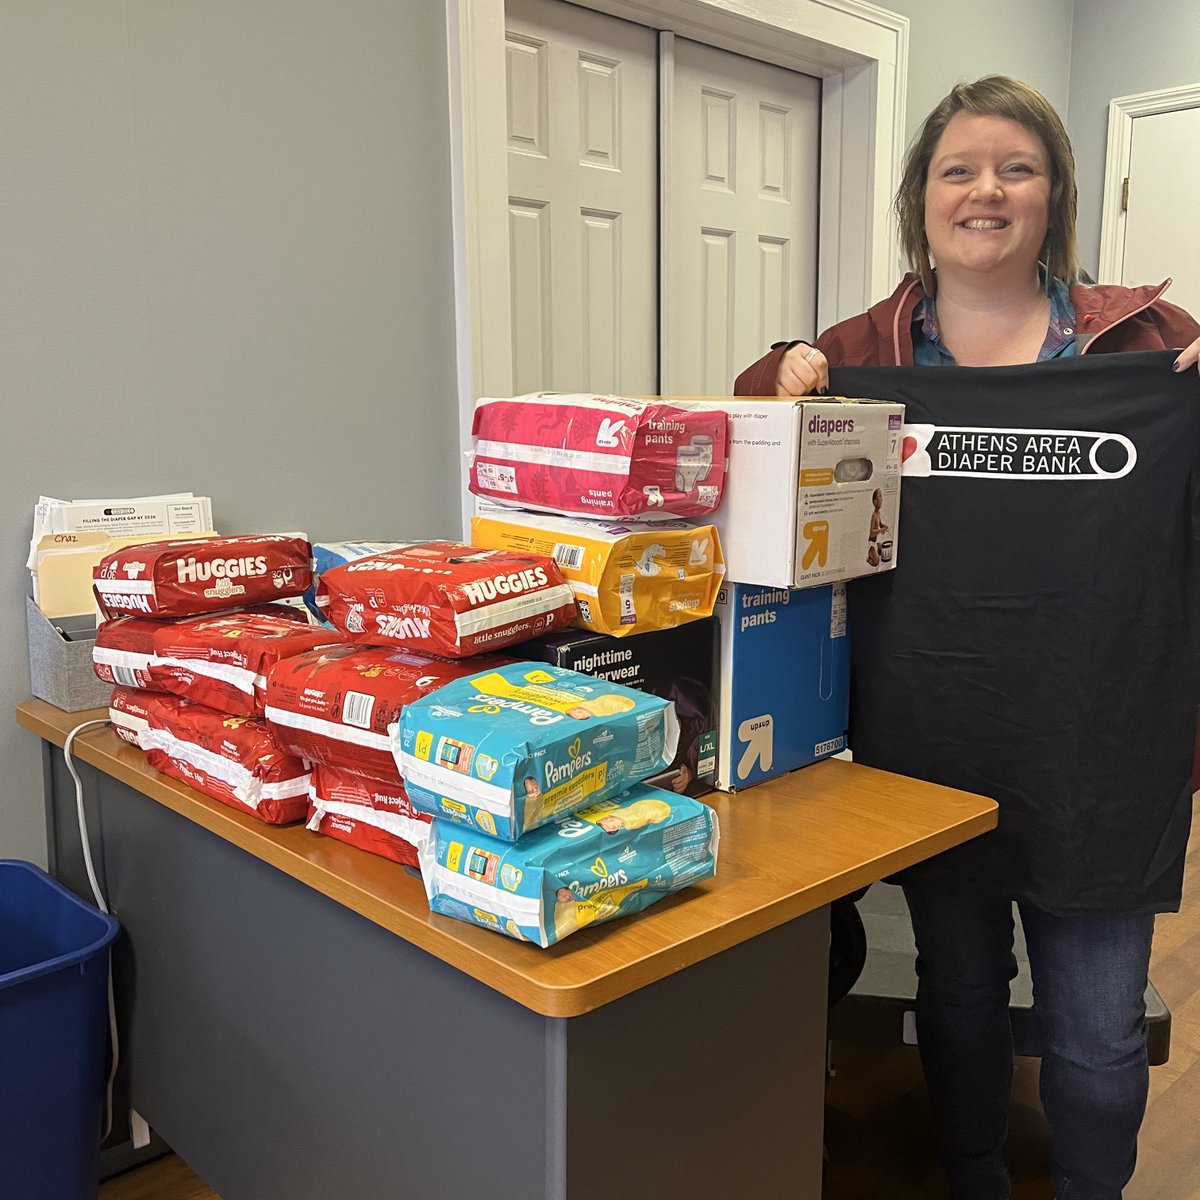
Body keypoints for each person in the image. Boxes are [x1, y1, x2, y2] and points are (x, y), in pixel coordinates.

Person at [735, 76, 1200, 1200]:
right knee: (958, 986)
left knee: (1094, 1026)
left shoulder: (1153, 346)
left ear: (1055, 197)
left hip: (1102, 743)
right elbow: (747, 438)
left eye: (1016, 168)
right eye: (959, 169)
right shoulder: (866, 345)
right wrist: (780, 375)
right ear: (923, 199)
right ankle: (974, 1175)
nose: (986, 190)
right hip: (928, 732)